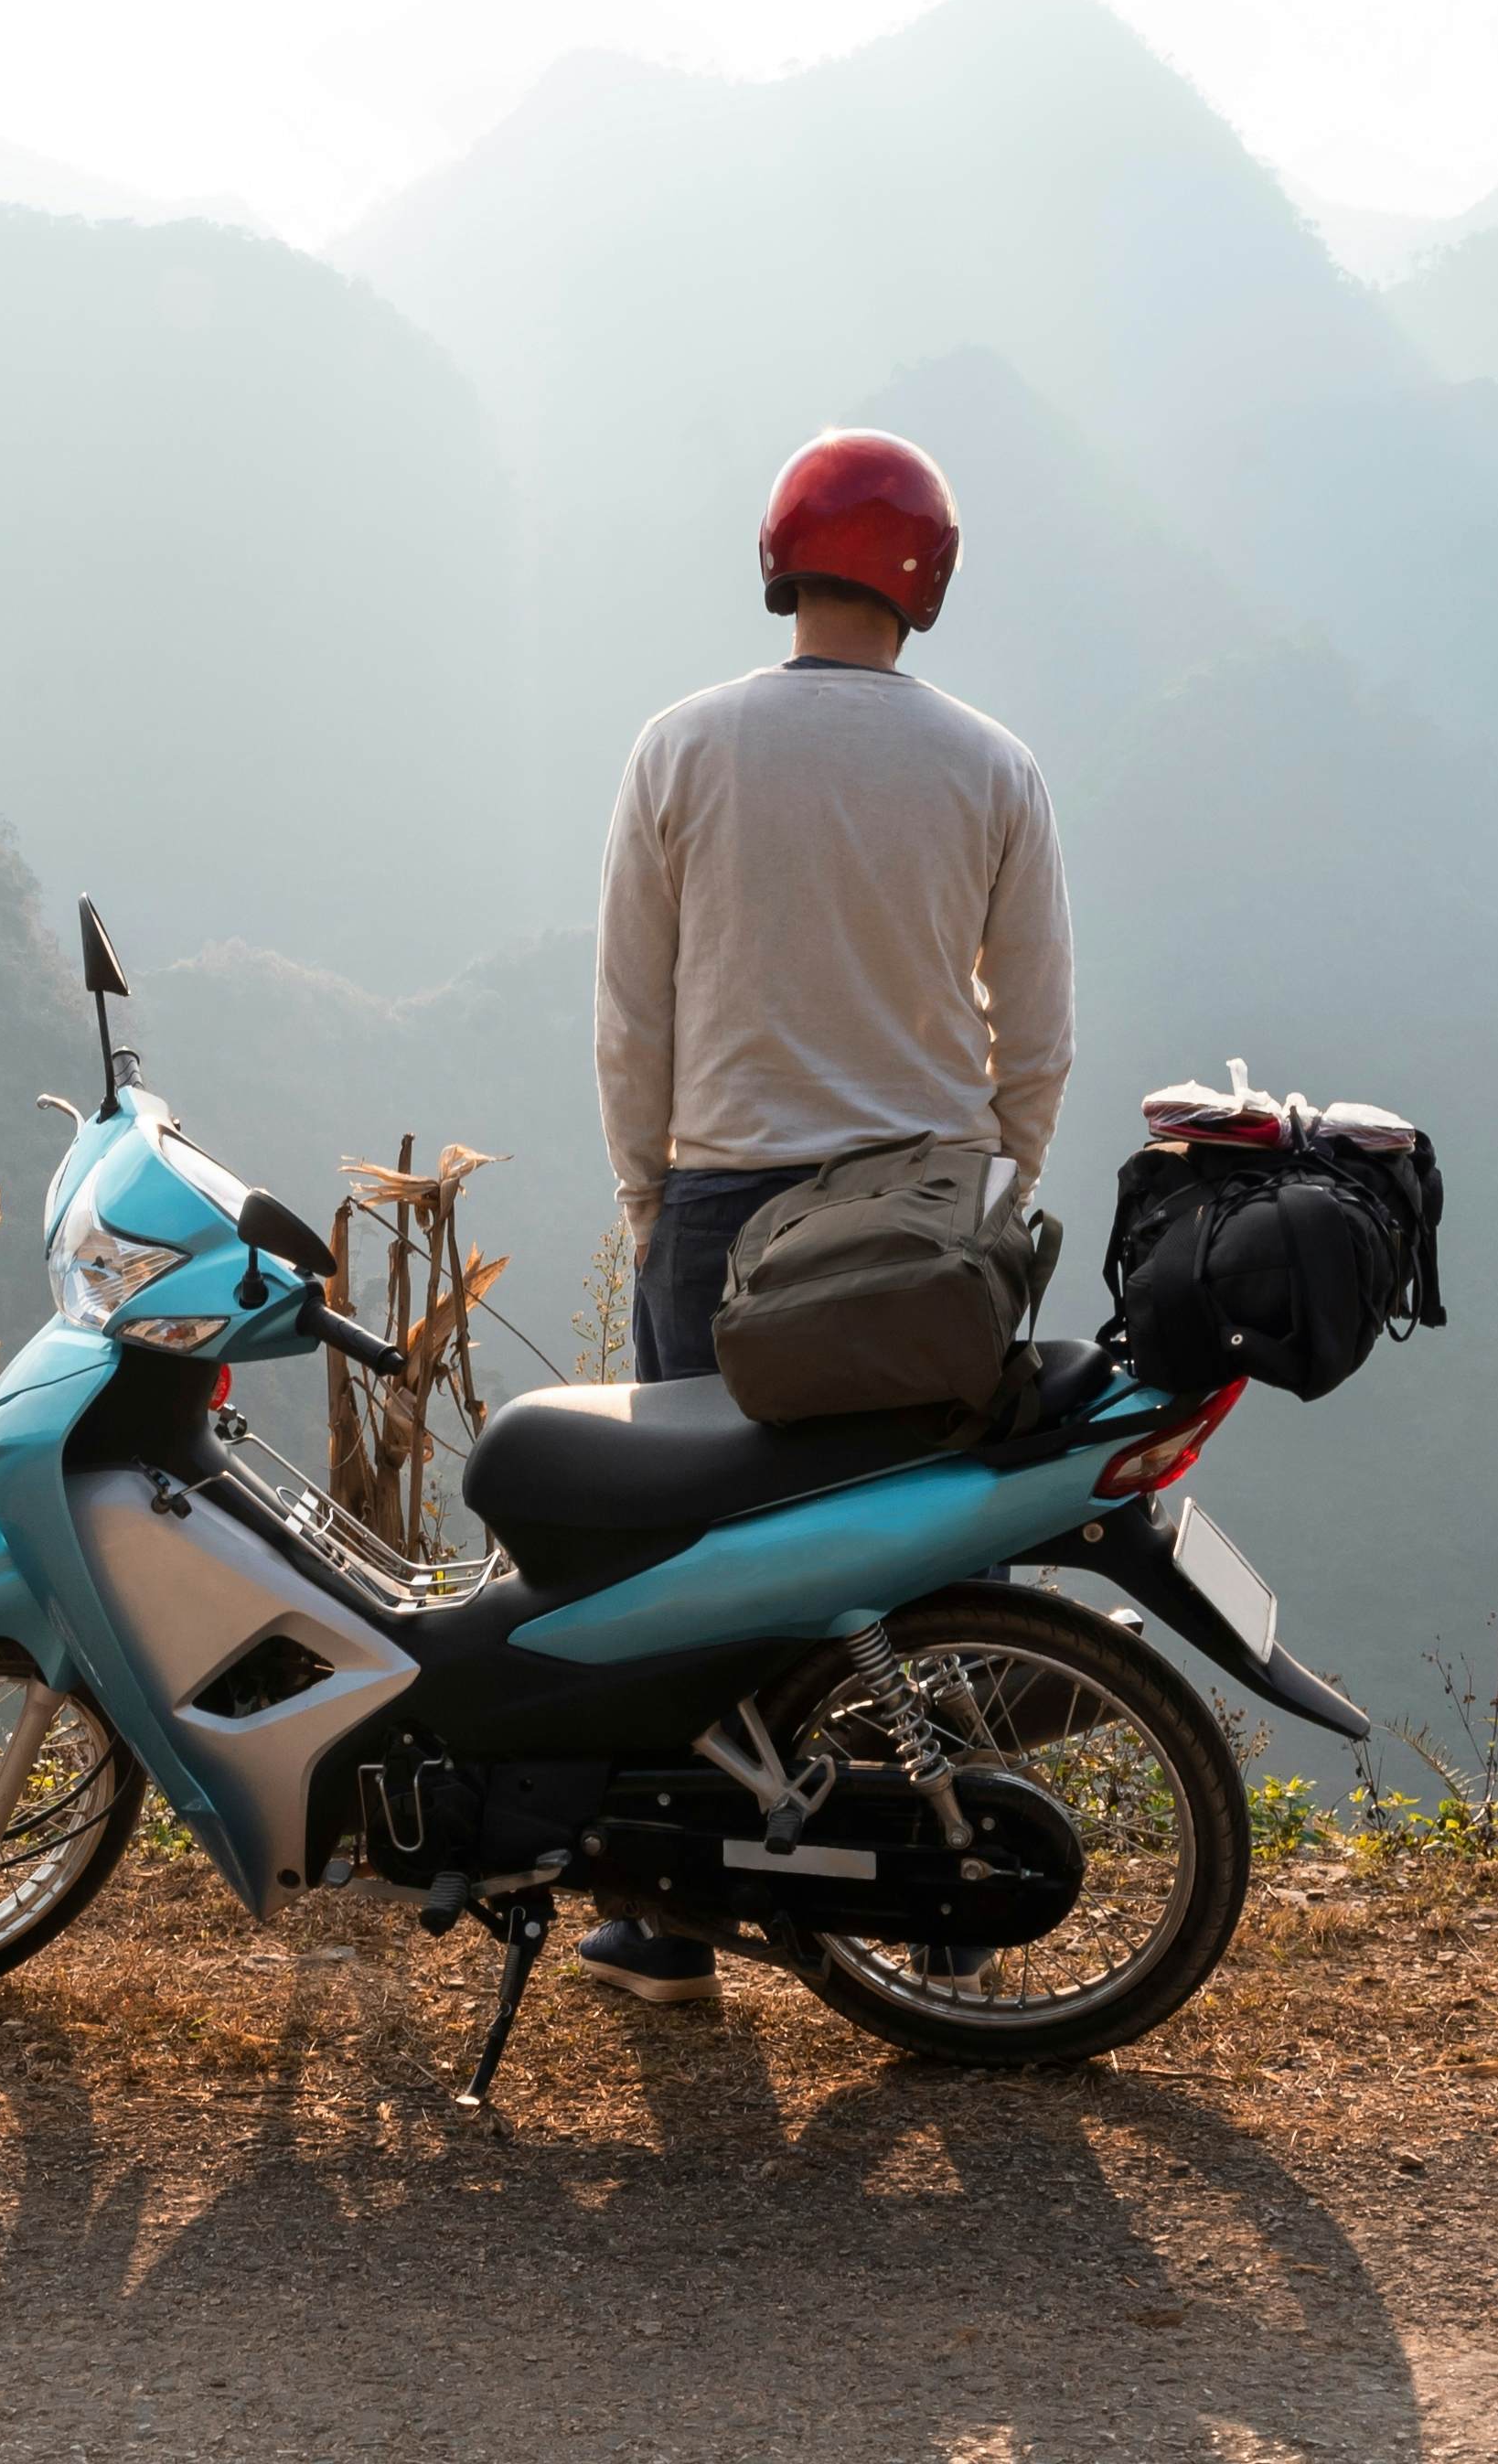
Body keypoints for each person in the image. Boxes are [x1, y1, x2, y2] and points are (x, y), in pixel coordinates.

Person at [571, 424, 1075, 2004]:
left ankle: (669, 1927)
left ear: (781, 560)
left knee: (686, 1568)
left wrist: (652, 1201)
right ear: (924, 584)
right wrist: (996, 1193)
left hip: (723, 1215)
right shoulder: (992, 766)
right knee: (921, 1557)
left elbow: (629, 1017)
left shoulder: (683, 746)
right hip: (919, 1222)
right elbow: (1036, 1033)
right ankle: (945, 1912)